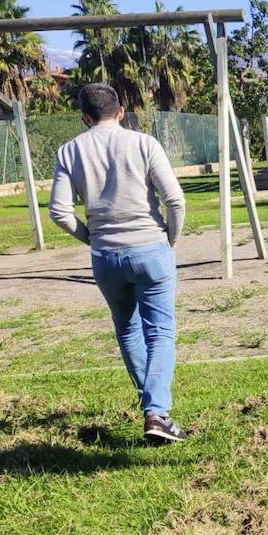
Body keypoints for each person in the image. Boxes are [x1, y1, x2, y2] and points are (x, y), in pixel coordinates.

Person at [49, 84, 188, 444]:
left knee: (127, 329)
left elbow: (59, 212)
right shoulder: (144, 144)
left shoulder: (69, 151)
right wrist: (171, 237)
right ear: (121, 111)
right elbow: (174, 199)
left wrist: (89, 237)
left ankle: (153, 409)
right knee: (160, 331)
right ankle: (157, 412)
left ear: (84, 117)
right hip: (150, 248)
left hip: (106, 258)